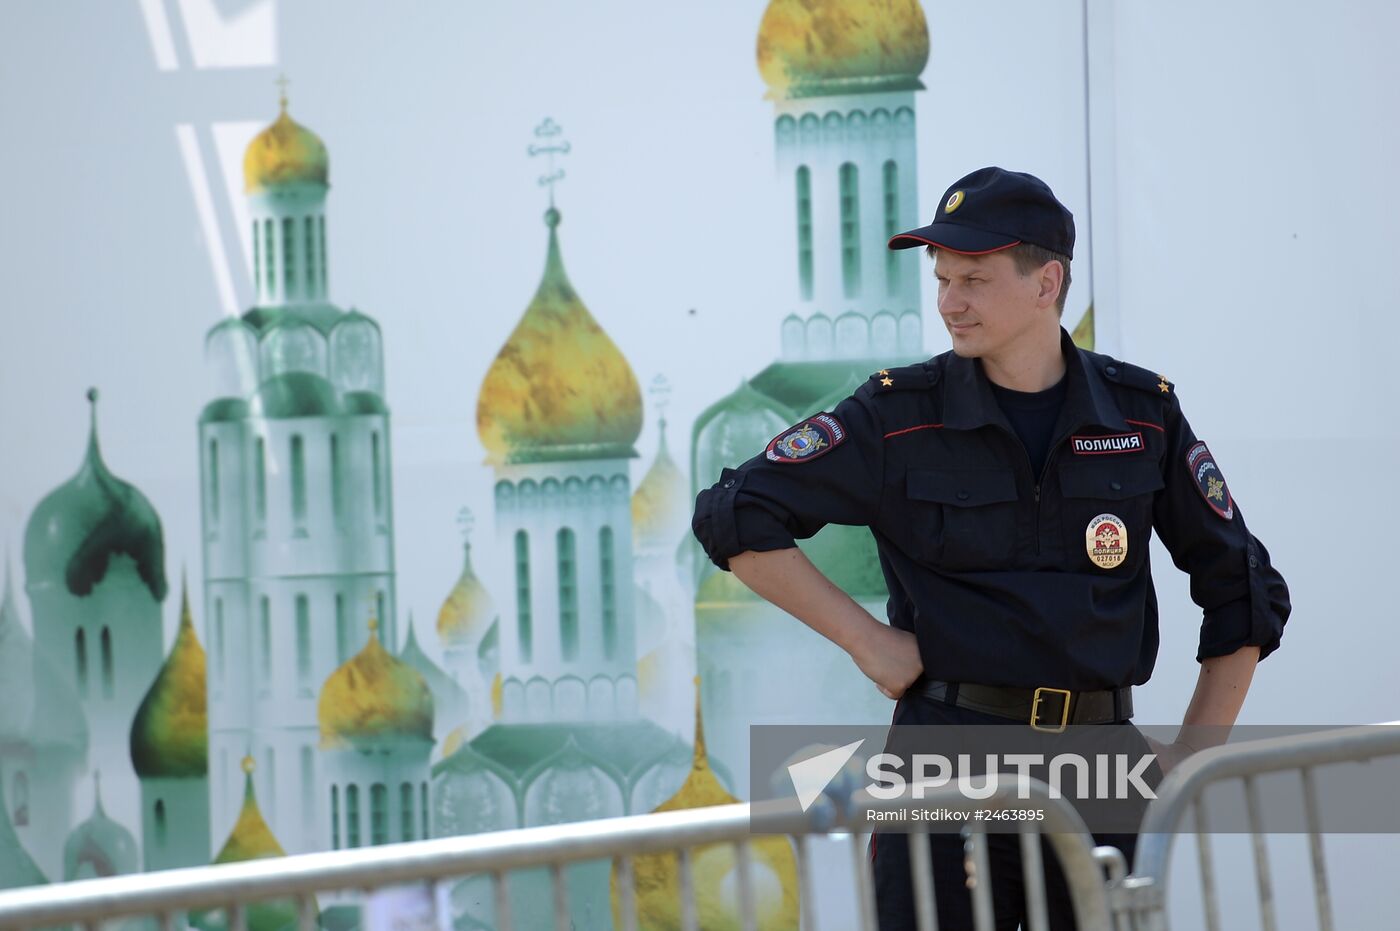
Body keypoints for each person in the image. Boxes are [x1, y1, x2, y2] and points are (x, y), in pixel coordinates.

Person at [690, 166, 1291, 929]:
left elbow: (1243, 584)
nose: (949, 301)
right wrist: (865, 639)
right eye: (941, 278)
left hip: (1101, 768)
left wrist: (1190, 760)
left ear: (1047, 283)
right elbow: (736, 516)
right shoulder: (897, 416)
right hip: (945, 763)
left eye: (972, 278)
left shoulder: (1143, 414)